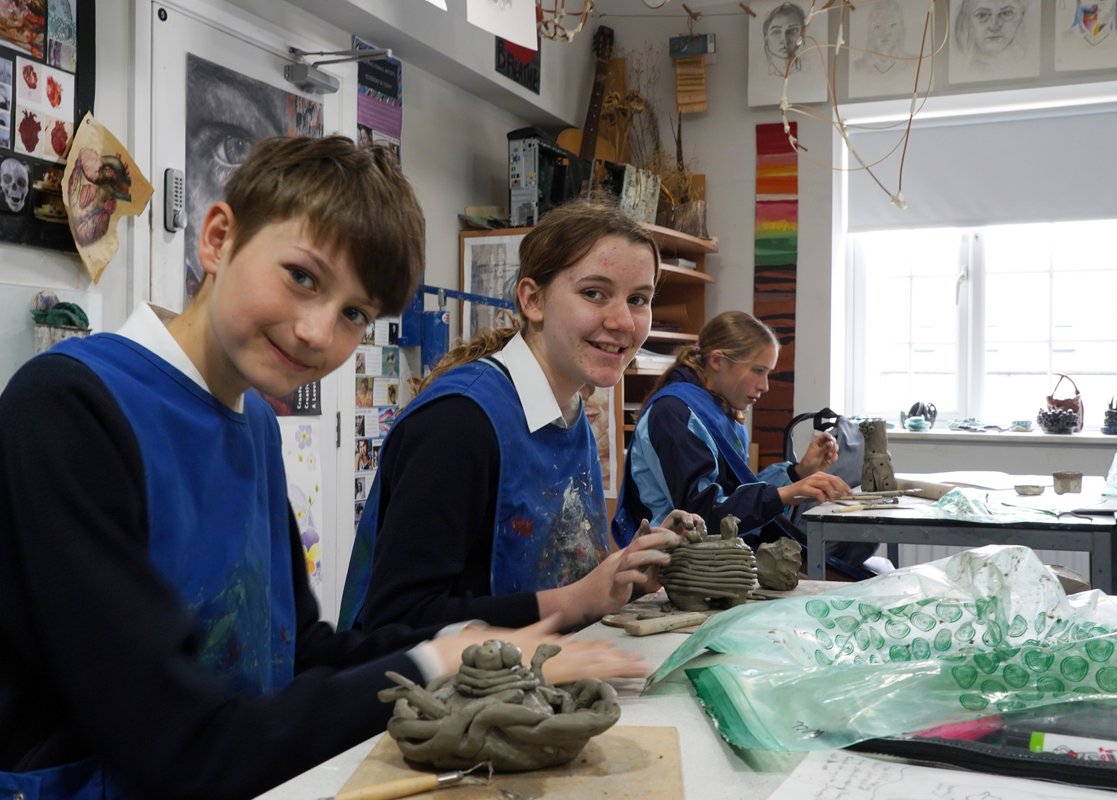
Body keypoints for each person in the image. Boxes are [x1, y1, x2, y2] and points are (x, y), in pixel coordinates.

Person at [0, 136, 645, 800]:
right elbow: (175, 740)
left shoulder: (250, 421)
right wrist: (431, 661)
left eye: (353, 314)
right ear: (219, 238)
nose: (317, 333)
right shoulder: (70, 405)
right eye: (302, 277)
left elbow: (301, 654)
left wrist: (481, 647)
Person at [340, 198, 695, 635]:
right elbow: (395, 621)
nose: (623, 320)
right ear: (533, 300)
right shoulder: (459, 423)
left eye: (639, 299)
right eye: (594, 293)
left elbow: (558, 575)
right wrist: (576, 601)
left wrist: (630, 572)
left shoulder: (572, 414)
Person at [613, 310, 878, 573]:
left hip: (712, 557)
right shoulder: (674, 413)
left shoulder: (719, 409)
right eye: (758, 371)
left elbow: (735, 493)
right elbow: (703, 514)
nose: (765, 386)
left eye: (768, 373)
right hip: (676, 566)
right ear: (718, 361)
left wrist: (798, 473)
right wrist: (786, 492)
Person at [954, 0, 1029, 71]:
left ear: (1021, 16)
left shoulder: (1027, 62)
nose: (994, 26)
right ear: (967, 20)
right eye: (982, 15)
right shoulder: (959, 66)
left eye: (1006, 13)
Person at [762, 2, 806, 77]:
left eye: (793, 31)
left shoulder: (809, 70)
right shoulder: (761, 72)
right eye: (776, 32)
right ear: (766, 38)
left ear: (802, 34)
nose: (784, 39)